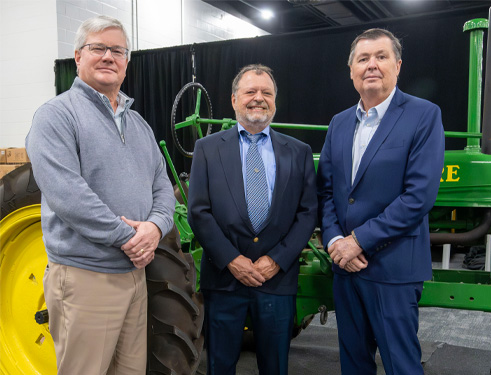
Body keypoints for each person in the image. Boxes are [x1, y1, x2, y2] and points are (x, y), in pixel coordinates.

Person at [26, 15, 175, 375]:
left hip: (134, 276)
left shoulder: (138, 124)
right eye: (98, 48)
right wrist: (131, 238)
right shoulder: (56, 117)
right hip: (85, 277)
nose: (108, 56)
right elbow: (68, 195)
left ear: (126, 63)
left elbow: (162, 186)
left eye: (118, 51)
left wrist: (154, 228)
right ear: (78, 57)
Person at [317, 28, 445, 375]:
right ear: (351, 71)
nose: (371, 65)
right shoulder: (339, 123)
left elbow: (419, 197)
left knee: (401, 365)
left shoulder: (423, 115)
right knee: (353, 365)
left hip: (393, 269)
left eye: (381, 56)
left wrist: (358, 241)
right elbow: (327, 193)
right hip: (346, 269)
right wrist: (334, 242)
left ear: (397, 66)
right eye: (363, 59)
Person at [188, 64, 317, 374]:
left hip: (277, 281)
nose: (258, 98)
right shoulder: (206, 149)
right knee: (220, 366)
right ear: (234, 100)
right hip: (224, 282)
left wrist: (276, 260)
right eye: (250, 92)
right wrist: (233, 260)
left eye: (266, 93)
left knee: (275, 366)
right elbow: (198, 211)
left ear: (274, 101)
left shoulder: (298, 152)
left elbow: (308, 212)